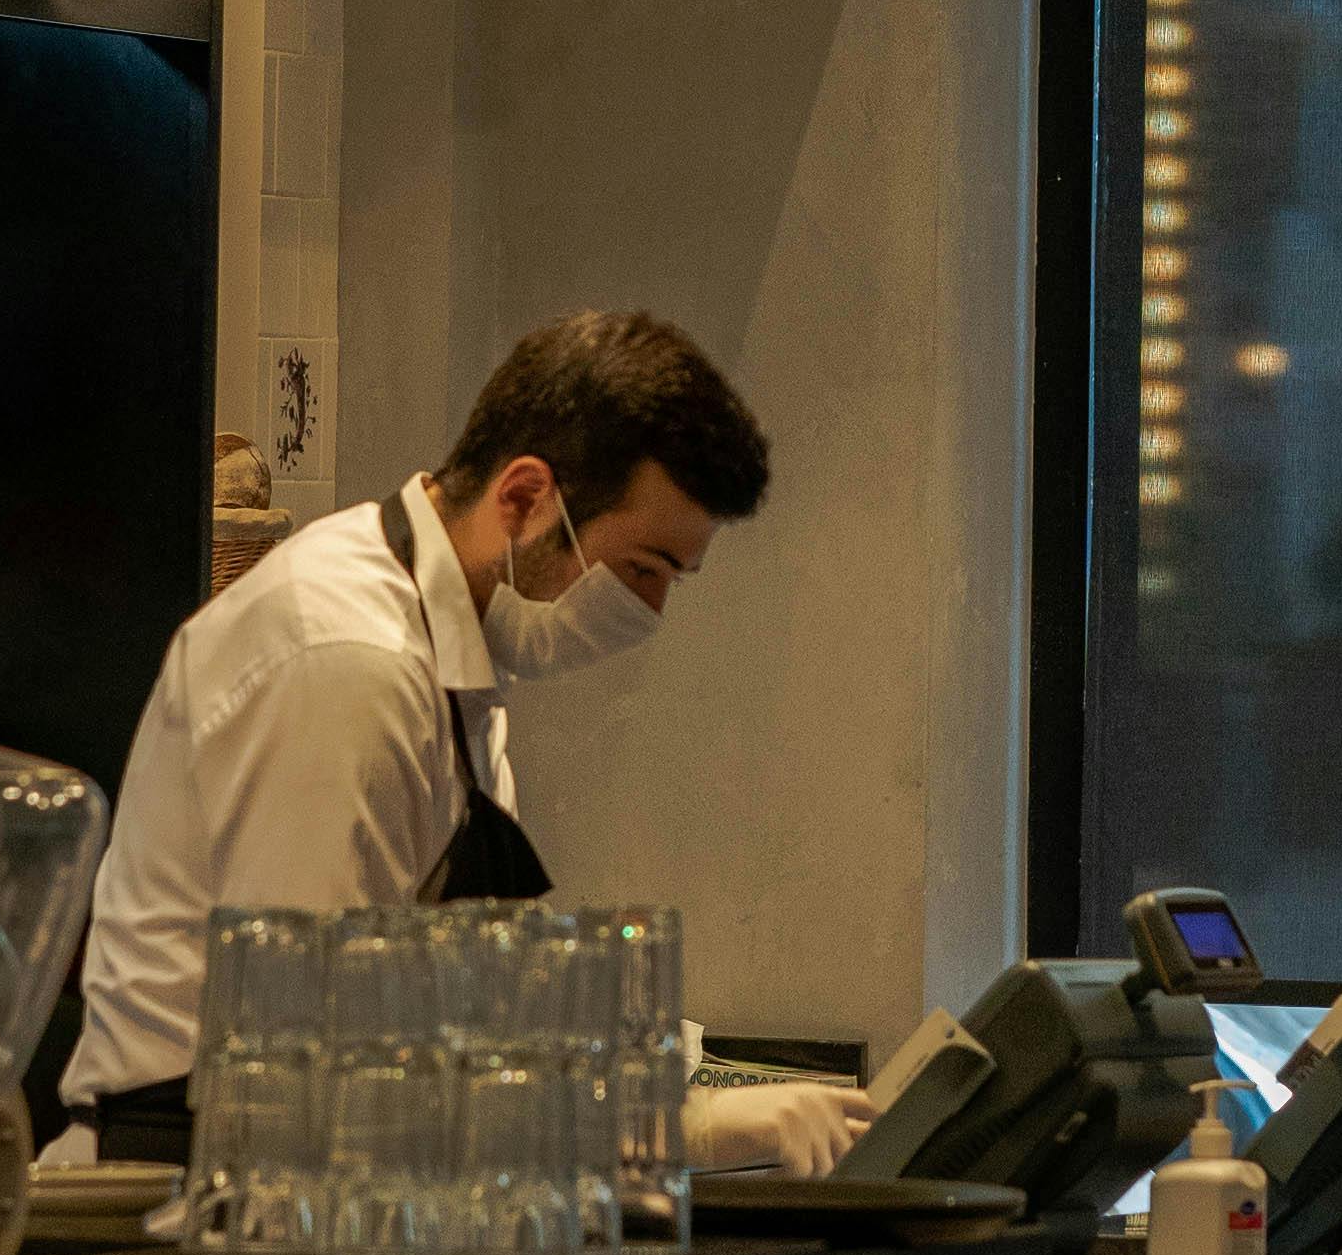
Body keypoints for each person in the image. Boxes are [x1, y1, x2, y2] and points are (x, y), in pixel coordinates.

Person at [62, 305, 867, 1181]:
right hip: (186, 1198)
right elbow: (313, 1062)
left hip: (323, 1182)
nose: (650, 613)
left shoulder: (455, 666)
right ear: (524, 499)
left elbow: (459, 1009)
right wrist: (672, 1126)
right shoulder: (347, 661)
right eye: (642, 570)